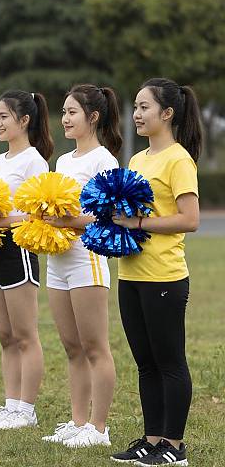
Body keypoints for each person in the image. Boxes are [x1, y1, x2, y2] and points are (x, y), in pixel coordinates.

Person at [110, 78, 201, 466]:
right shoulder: (138, 160)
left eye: (145, 107)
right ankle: (152, 441)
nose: (136, 114)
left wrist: (140, 224)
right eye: (135, 106)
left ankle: (175, 447)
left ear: (167, 113)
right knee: (145, 363)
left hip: (164, 276)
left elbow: (190, 219)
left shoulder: (179, 159)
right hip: (131, 276)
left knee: (169, 362)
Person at [41, 84, 122, 447]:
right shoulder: (63, 161)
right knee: (72, 346)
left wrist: (70, 220)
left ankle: (99, 428)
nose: (65, 118)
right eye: (64, 111)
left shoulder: (104, 160)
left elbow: (110, 215)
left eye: (73, 112)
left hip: (87, 260)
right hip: (57, 260)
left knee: (95, 347)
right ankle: (78, 422)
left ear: (93, 116)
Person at [0, 90, 54, 429]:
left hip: (18, 247)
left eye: (4, 116)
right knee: (5, 335)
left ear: (24, 120)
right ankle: (11, 405)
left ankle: (27, 409)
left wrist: (0, 221)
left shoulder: (34, 161)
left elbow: (37, 213)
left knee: (25, 334)